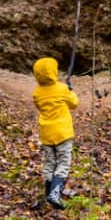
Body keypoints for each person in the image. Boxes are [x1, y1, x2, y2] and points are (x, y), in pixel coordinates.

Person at [32, 56, 79, 209]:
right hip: (62, 133)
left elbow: (40, 106)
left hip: (46, 134)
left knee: (50, 163)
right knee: (63, 163)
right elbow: (74, 104)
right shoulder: (62, 89)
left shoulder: (37, 92)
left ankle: (48, 195)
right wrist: (70, 90)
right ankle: (55, 194)